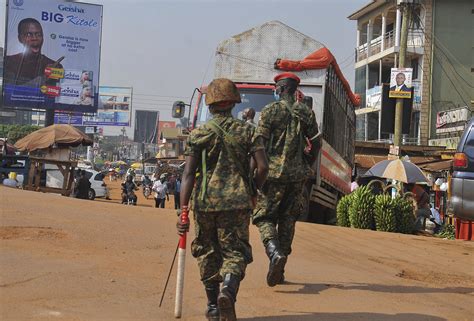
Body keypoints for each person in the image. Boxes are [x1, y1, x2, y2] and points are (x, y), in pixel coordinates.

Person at [176, 78, 268, 321]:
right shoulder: (249, 131)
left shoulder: (198, 134)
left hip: (204, 203)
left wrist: (183, 210)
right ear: (233, 103)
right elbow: (263, 167)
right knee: (234, 252)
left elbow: (187, 175)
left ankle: (213, 306)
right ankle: (228, 289)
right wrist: (252, 191)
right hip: (237, 203)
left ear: (210, 106)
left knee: (207, 251)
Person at [252, 72, 320, 287]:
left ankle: (274, 253)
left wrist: (255, 172)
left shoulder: (271, 110)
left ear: (280, 89)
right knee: (288, 220)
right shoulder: (306, 112)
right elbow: (316, 143)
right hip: (297, 177)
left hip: (272, 175)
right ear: (295, 90)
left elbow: (259, 142)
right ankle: (280, 270)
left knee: (264, 218)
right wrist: (306, 164)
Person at [4, 18, 63, 86]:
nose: (34, 38)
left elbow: (54, 92)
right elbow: (11, 91)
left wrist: (52, 75)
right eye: (29, 34)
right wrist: (44, 77)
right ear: (20, 38)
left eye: (38, 34)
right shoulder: (9, 62)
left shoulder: (55, 66)